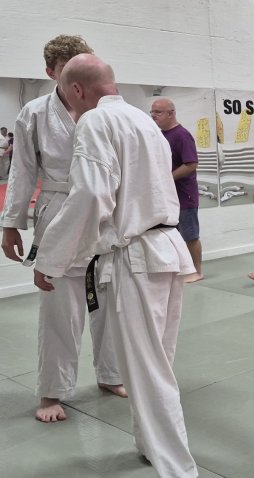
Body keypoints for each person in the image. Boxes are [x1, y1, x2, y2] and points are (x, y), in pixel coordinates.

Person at [35, 53, 197, 477]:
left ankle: (178, 468)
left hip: (137, 255)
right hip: (166, 248)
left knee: (147, 370)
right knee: (158, 361)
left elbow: (90, 196)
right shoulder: (145, 121)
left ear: (76, 90)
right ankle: (150, 445)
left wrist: (50, 258)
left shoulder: (95, 120)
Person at [0, 35, 125, 424]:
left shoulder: (107, 110)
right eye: (66, 68)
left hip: (106, 214)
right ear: (51, 72)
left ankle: (111, 374)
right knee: (59, 309)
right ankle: (52, 391)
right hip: (58, 211)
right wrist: (11, 223)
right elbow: (22, 170)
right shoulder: (35, 113)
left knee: (110, 301)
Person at [151, 97, 204, 282]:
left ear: (171, 113)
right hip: (168, 197)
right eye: (152, 112)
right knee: (172, 236)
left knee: (190, 235)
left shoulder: (182, 135)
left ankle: (197, 271)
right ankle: (180, 270)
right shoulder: (159, 136)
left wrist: (166, 179)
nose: (153, 115)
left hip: (184, 196)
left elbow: (191, 164)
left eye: (158, 112)